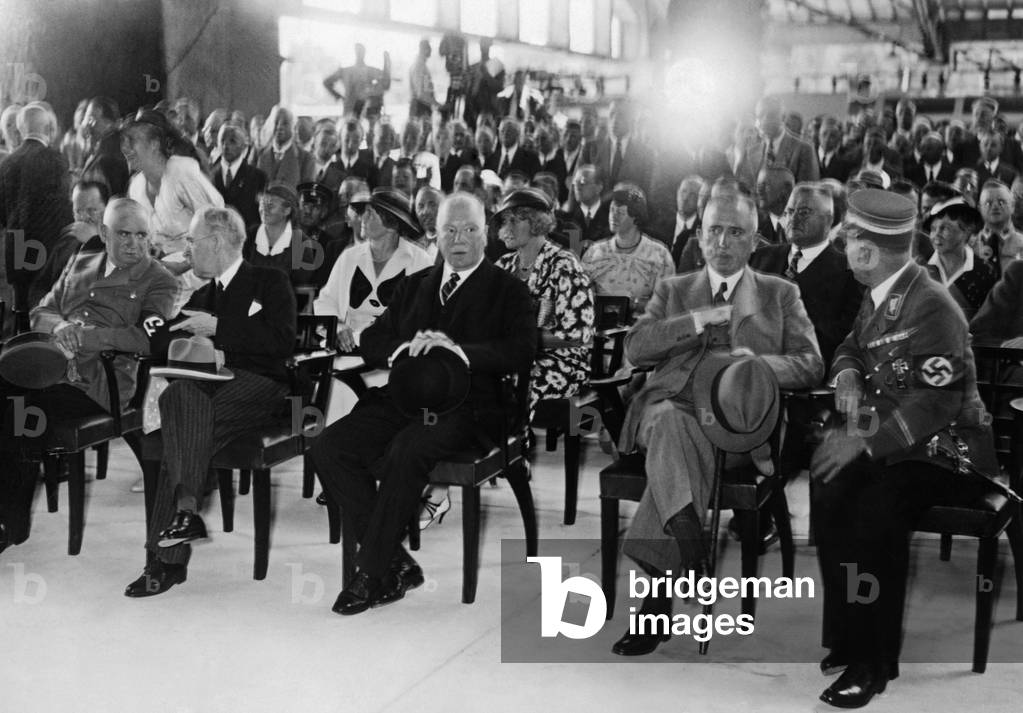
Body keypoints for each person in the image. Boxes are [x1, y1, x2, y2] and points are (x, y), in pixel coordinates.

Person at [610, 192, 823, 657]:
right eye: (713, 230)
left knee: (675, 447)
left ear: (754, 241)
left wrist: (760, 366)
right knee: (669, 424)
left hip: (739, 426)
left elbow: (811, 364)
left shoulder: (780, 293)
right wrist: (692, 322)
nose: (723, 241)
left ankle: (666, 587)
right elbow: (636, 347)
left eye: (736, 232)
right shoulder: (674, 289)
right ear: (699, 236)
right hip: (670, 407)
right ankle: (687, 551)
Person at [810, 189, 998, 708]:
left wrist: (864, 441)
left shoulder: (933, 303)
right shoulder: (879, 292)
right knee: (828, 489)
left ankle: (875, 661)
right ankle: (849, 633)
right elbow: (851, 345)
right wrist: (847, 372)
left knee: (876, 509)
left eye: (850, 237)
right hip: (897, 443)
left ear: (871, 249)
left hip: (948, 453)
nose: (843, 245)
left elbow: (935, 403)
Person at [308, 192, 536, 615]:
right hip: (404, 398)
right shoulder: (416, 285)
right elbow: (373, 339)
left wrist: (458, 350)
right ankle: (396, 561)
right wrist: (402, 350)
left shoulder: (509, 291)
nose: (460, 238)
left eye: (469, 229)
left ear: (485, 234)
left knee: (407, 449)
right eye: (449, 230)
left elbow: (521, 351)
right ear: (436, 235)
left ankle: (374, 573)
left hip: (472, 408)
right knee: (329, 447)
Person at [124, 205, 297, 597]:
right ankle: (186, 514)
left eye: (192, 241)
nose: (188, 250)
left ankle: (163, 563)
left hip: (261, 386)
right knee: (181, 399)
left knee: (179, 422)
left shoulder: (270, 280)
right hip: (209, 389)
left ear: (217, 242)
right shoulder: (203, 293)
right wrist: (186, 334)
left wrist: (219, 330)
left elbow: (283, 340)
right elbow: (161, 337)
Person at [0, 197, 177, 553]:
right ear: (104, 233)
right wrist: (61, 324)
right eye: (124, 235)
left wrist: (82, 336)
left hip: (102, 383)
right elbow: (41, 312)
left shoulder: (159, 280)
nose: (134, 244)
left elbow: (147, 338)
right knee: (10, 400)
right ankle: (10, 518)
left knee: (20, 408)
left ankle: (8, 523)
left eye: (142, 236)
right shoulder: (80, 261)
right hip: (52, 372)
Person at [123, 109, 224, 312]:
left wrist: (184, 264)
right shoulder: (136, 186)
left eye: (133, 141)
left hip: (201, 279)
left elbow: (217, 225)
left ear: (154, 144)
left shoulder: (181, 171)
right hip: (162, 280)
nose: (126, 149)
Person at [314, 187, 432, 352]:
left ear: (390, 223)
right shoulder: (349, 257)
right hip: (347, 349)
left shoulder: (419, 261)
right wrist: (338, 326)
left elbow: (421, 315)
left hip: (393, 351)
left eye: (370, 213)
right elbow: (326, 301)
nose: (362, 217)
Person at [0, 102, 73, 324]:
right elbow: (62, 206)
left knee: (21, 308)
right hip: (47, 248)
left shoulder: (7, 163)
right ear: (49, 128)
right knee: (46, 309)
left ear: (21, 129)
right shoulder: (54, 159)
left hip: (16, 246)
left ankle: (20, 352)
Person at [581, 183, 675, 320]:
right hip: (599, 330)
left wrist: (634, 304)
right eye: (612, 210)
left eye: (620, 212)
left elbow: (668, 303)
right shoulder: (594, 252)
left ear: (636, 217)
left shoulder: (659, 255)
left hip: (640, 330)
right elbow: (580, 296)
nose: (613, 216)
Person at [29, 180, 109, 308]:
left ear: (107, 209)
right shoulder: (67, 241)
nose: (83, 217)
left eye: (91, 210)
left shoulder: (119, 244)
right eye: (78, 211)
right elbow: (40, 286)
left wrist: (94, 242)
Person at [922, 196, 996, 319]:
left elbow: (990, 321)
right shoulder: (920, 267)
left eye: (945, 228)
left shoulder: (986, 273)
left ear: (966, 232)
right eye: (933, 228)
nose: (936, 235)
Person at [244, 182, 317, 290]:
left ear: (286, 210)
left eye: (270, 205)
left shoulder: (301, 244)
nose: (264, 209)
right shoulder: (249, 235)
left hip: (282, 302)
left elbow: (299, 284)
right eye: (262, 204)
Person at [736, 95, 820, 188]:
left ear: (783, 117)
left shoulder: (803, 149)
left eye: (771, 115)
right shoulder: (752, 151)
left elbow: (807, 193)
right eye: (760, 116)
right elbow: (746, 188)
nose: (765, 120)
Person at [212, 122, 268, 232]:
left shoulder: (258, 177)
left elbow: (261, 216)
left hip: (246, 239)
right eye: (222, 140)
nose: (226, 146)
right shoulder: (209, 174)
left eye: (232, 141)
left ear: (243, 146)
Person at [323, 43, 392, 122]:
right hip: (351, 110)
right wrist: (338, 96)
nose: (359, 53)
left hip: (366, 110)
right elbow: (327, 82)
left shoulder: (369, 70)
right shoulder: (345, 71)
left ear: (364, 53)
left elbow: (385, 83)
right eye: (357, 51)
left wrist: (387, 63)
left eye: (360, 51)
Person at [80, 96, 130, 196]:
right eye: (87, 119)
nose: (87, 125)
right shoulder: (99, 149)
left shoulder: (111, 156)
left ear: (112, 124)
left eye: (92, 119)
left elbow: (115, 196)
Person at [974, 179, 1023, 279]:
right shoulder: (968, 247)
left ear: (1012, 205)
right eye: (988, 203)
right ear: (979, 208)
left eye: (1001, 202)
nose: (995, 206)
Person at [256, 105, 315, 189]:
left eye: (285, 123)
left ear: (293, 127)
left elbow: (307, 195)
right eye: (276, 122)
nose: (279, 127)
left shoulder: (306, 158)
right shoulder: (260, 154)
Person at [408, 38, 438, 120]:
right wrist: (437, 105)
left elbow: (426, 89)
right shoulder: (419, 66)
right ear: (424, 49)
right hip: (419, 108)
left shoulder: (423, 67)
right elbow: (421, 94)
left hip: (423, 107)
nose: (431, 50)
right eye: (429, 47)